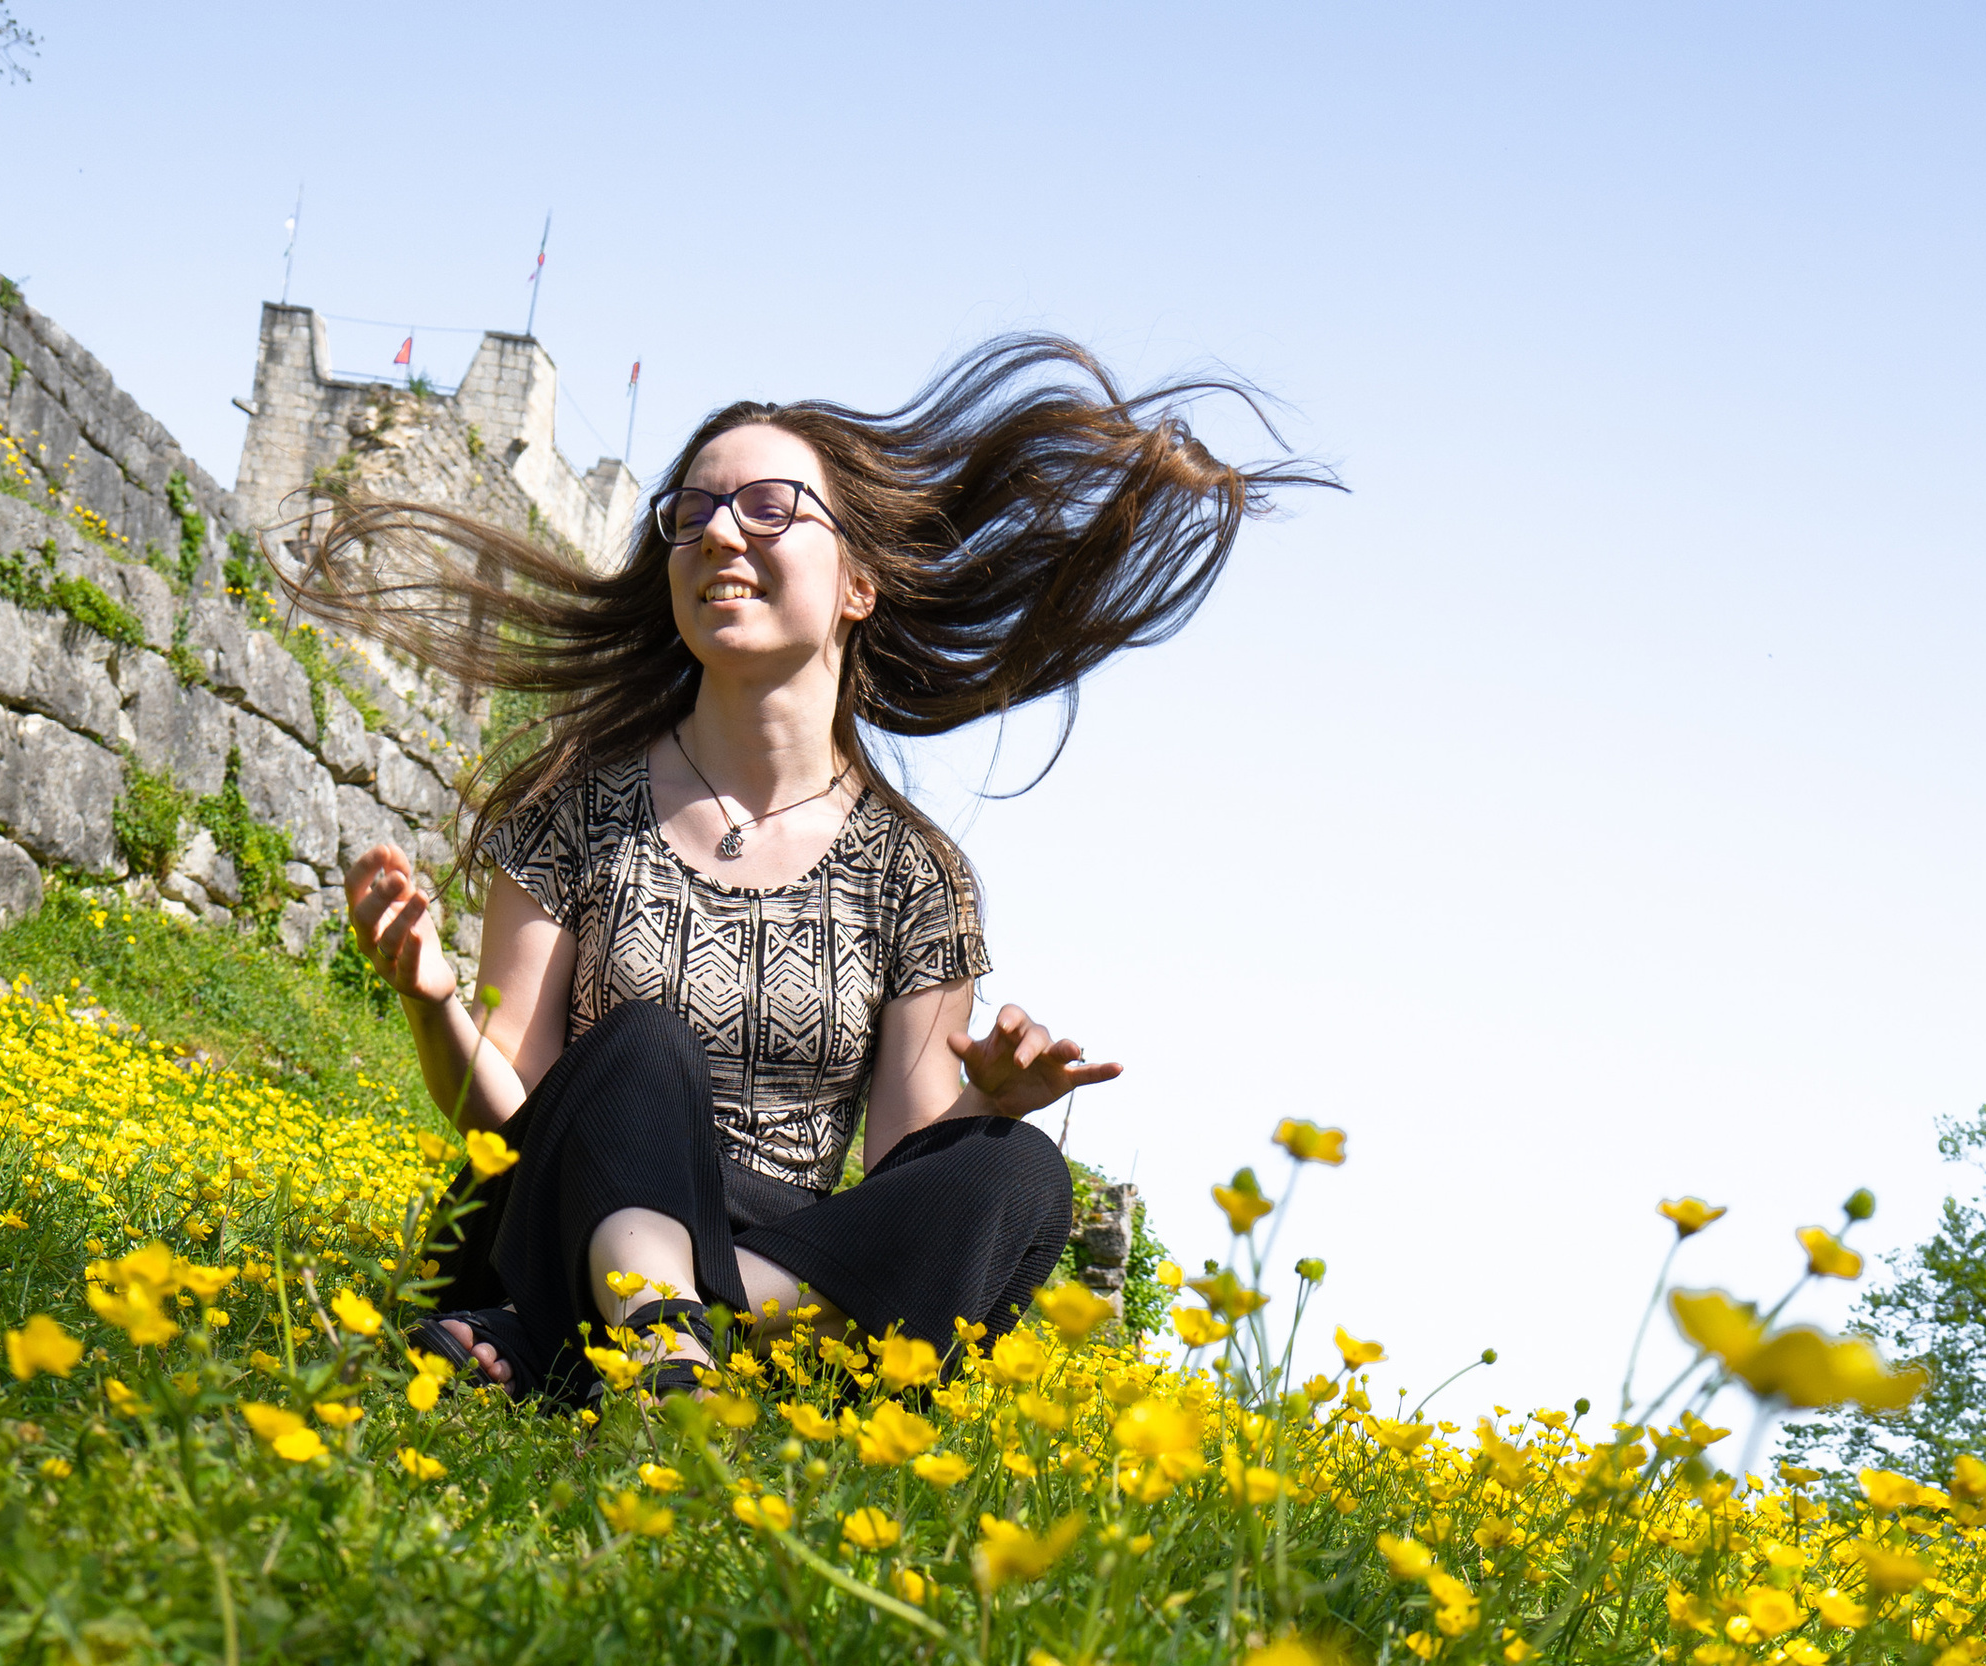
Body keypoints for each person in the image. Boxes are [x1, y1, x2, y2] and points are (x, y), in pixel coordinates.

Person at [320, 338, 1317, 1406]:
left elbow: (900, 1166)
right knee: (643, 1047)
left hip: (781, 1261)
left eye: (764, 507)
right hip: (563, 1223)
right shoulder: (575, 809)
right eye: (690, 513)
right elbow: (503, 1126)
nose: (715, 532)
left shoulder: (917, 876)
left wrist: (986, 1102)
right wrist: (432, 1004)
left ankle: (614, 1349)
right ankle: (657, 1349)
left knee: (1021, 1174)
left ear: (857, 584)